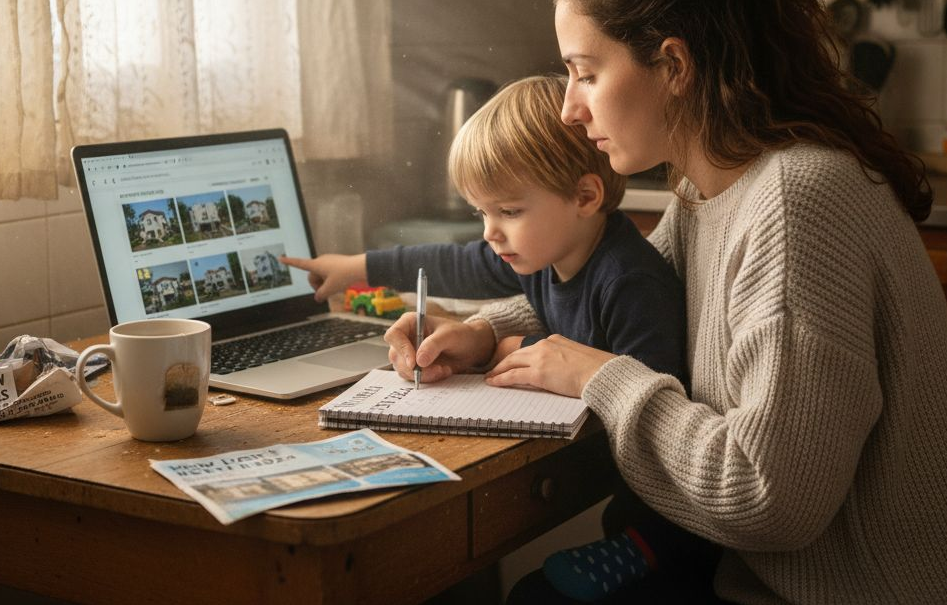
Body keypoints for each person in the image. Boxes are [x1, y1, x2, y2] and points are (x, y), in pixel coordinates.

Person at [381, 0, 947, 604]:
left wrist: (600, 378)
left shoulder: (796, 201)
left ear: (674, 66)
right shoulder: (708, 191)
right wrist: (480, 329)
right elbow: (630, 289)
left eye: (586, 72)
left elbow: (767, 496)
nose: (568, 107)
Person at [282, 74, 685, 381]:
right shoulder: (549, 252)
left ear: (583, 197)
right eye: (482, 213)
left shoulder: (629, 284)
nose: (490, 232)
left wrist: (514, 347)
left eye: (508, 211)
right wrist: (355, 268)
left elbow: (642, 395)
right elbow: (451, 265)